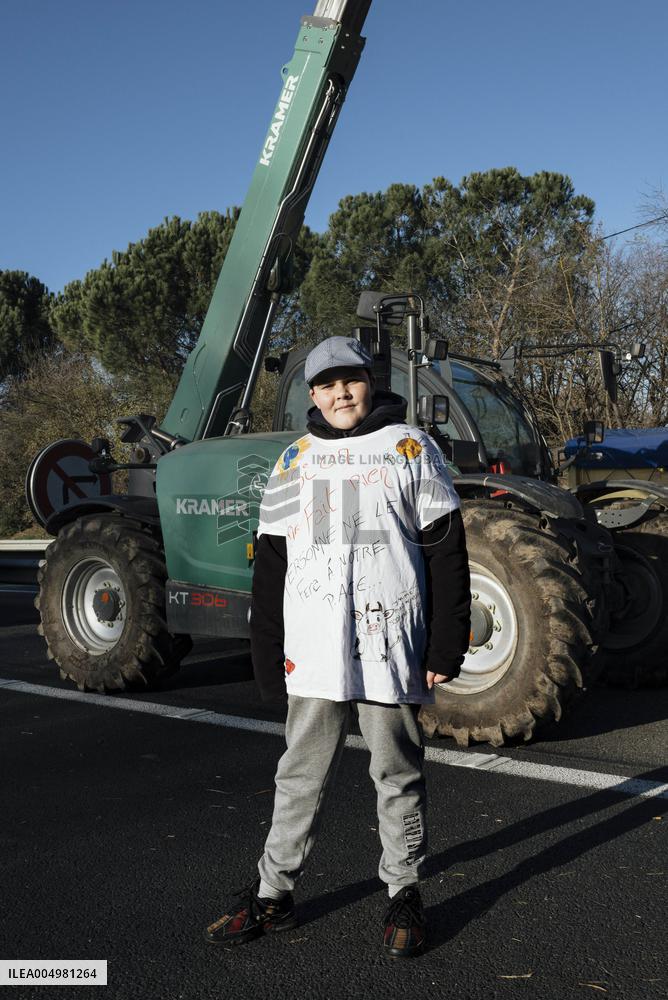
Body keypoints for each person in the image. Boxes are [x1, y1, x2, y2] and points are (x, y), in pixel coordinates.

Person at [204, 336, 471, 958]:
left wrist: (443, 647)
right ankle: (274, 895)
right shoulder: (294, 459)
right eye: (325, 385)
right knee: (297, 775)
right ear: (312, 395)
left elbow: (448, 555)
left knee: (397, 774)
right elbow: (271, 563)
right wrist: (266, 654)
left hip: (390, 647)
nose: (339, 393)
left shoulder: (410, 448)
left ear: (369, 382)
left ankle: (404, 891)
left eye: (349, 380)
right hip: (314, 651)